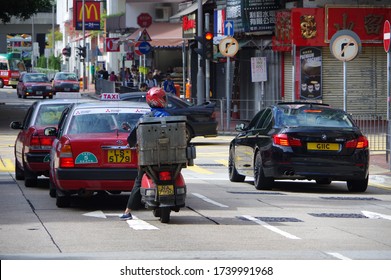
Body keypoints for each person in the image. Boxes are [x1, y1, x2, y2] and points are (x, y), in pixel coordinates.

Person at [120, 87, 170, 220]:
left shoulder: (145, 118)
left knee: (138, 181)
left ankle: (127, 211)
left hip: (149, 158)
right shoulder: (168, 116)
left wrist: (130, 144)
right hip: (169, 157)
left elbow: (133, 136)